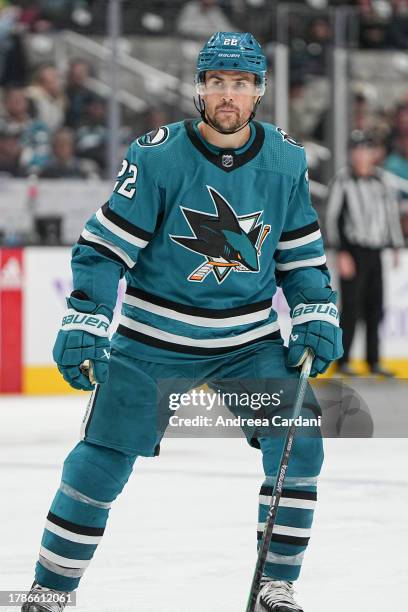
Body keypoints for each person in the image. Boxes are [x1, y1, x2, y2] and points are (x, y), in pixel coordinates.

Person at [22, 32, 342, 612]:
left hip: (248, 340)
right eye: (217, 82)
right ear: (199, 88)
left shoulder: (286, 160)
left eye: (240, 84)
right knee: (102, 456)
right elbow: (103, 248)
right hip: (153, 339)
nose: (228, 95)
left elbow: (299, 255)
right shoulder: (158, 155)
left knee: (300, 440)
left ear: (258, 93)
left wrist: (316, 308)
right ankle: (51, 589)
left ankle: (277, 583)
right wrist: (87, 316)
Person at [326, 130, 403, 377]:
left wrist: (396, 246)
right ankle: (343, 360)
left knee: (375, 306)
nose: (360, 155)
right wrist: (341, 252)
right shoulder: (343, 180)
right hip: (354, 250)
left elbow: (391, 215)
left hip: (375, 250)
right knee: (350, 306)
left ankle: (373, 360)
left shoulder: (382, 181)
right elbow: (333, 217)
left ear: (373, 153)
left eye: (365, 150)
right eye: (356, 150)